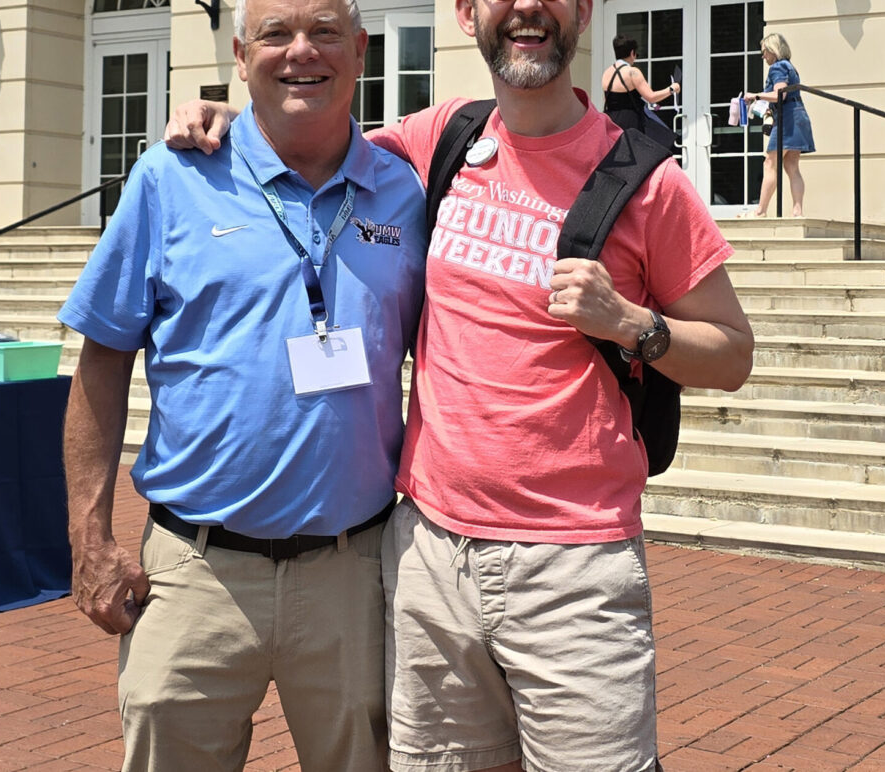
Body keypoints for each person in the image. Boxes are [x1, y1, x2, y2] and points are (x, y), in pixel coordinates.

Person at [166, 0, 754, 768]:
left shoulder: (646, 182)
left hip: (573, 565)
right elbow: (312, 140)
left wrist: (631, 322)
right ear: (468, 13)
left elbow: (732, 354)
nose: (526, 11)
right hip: (429, 556)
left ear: (581, 12)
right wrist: (228, 114)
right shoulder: (439, 138)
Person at [57, 0, 427, 768]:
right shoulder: (171, 176)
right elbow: (101, 357)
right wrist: (89, 538)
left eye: (325, 33)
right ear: (238, 53)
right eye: (276, 35)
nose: (302, 52)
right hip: (193, 573)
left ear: (360, 51)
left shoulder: (404, 192)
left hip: (350, 573)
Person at [742, 31, 815, 217]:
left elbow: (779, 95)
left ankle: (760, 211)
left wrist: (756, 95)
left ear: (773, 50)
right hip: (798, 116)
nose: (763, 55)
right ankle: (797, 211)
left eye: (765, 51)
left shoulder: (777, 68)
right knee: (791, 165)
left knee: (770, 163)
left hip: (787, 119)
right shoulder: (790, 67)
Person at [601, 33, 680, 149]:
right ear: (632, 53)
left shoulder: (606, 73)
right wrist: (672, 89)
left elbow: (608, 100)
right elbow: (651, 97)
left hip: (611, 123)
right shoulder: (632, 72)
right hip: (631, 122)